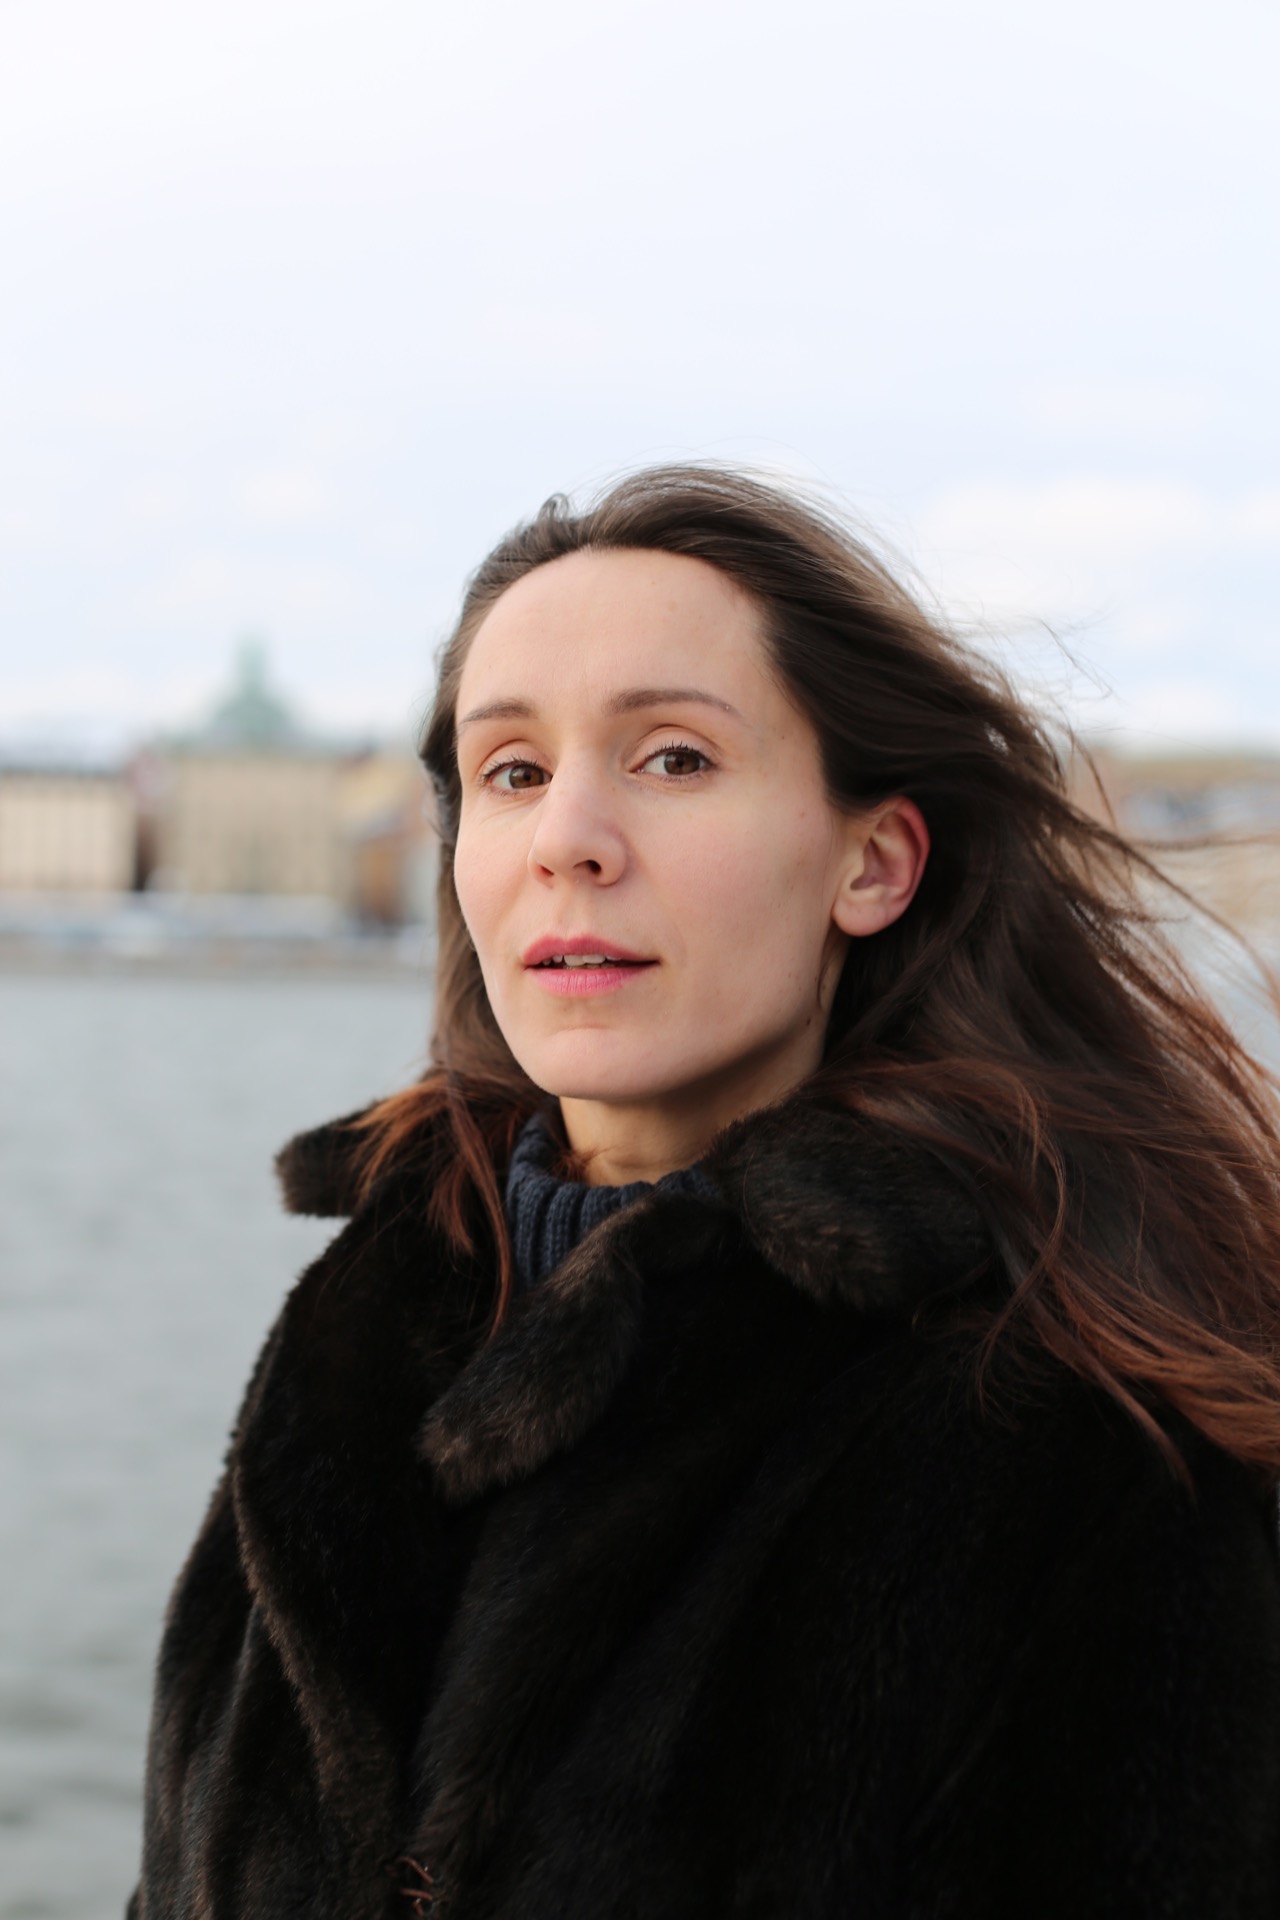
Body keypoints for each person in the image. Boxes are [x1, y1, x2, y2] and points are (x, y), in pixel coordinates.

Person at [129, 465, 1280, 1919]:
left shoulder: (1077, 1443)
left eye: (673, 758)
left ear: (873, 864)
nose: (568, 836)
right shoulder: (354, 1334)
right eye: (512, 772)